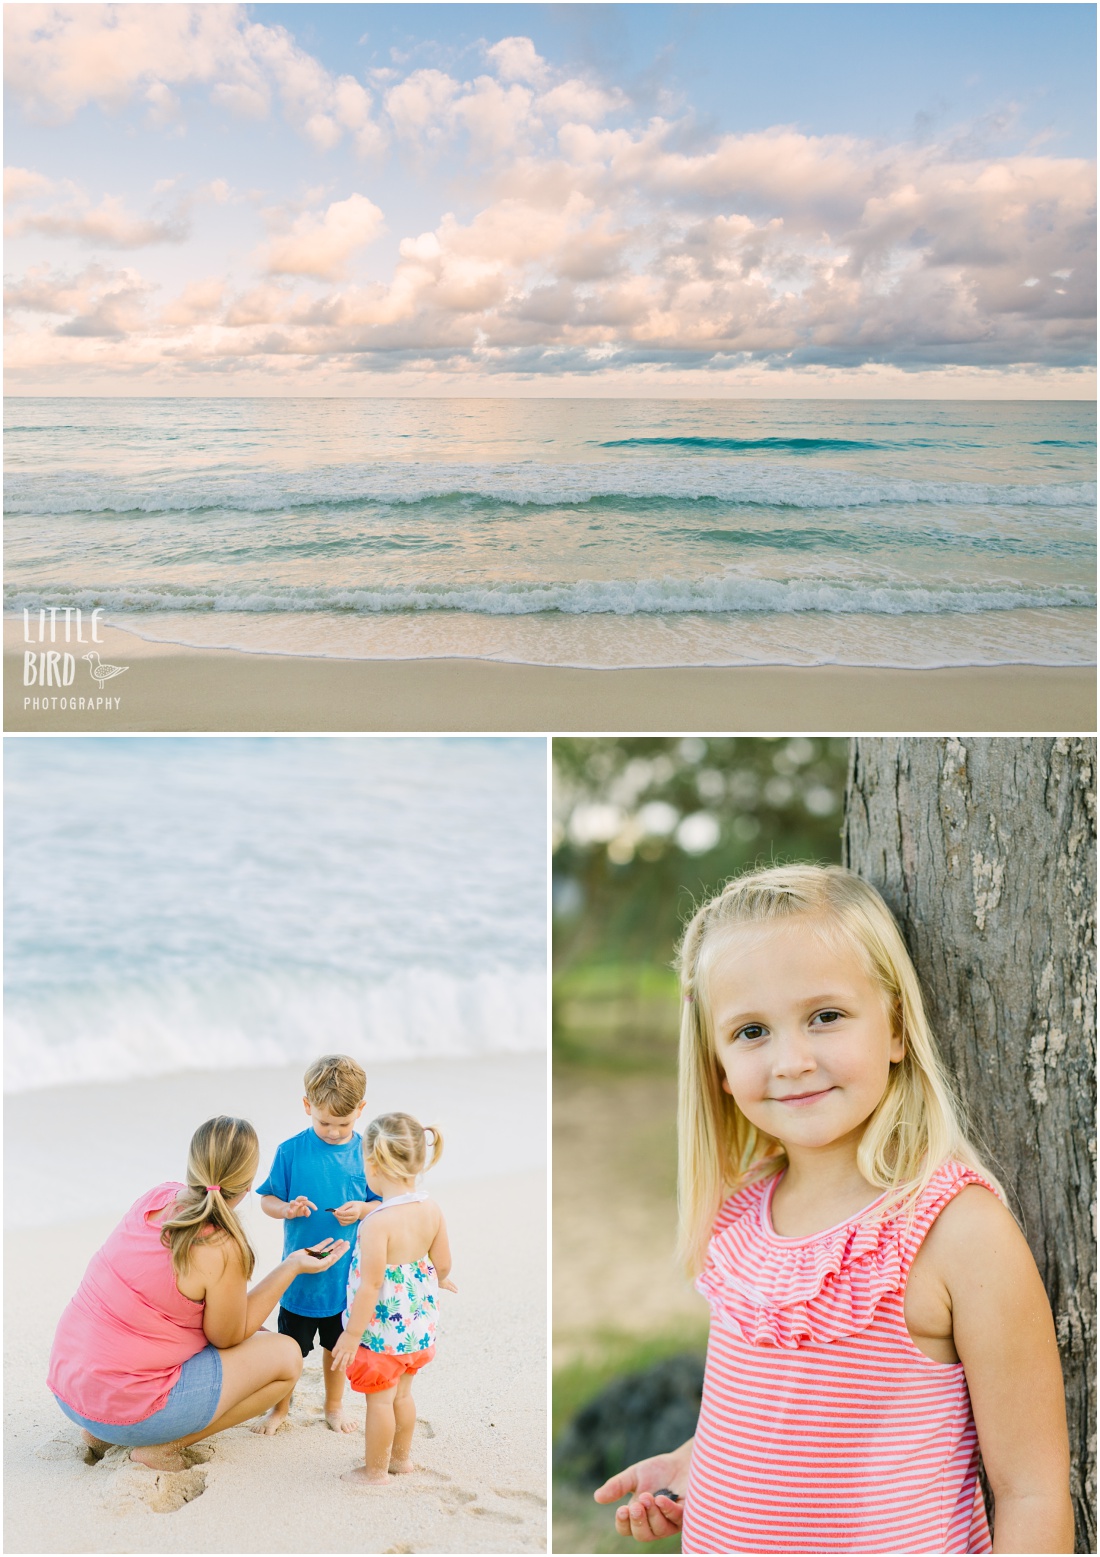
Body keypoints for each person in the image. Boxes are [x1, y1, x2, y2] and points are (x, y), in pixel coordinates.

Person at [594, 864, 1073, 1554]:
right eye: (751, 1031)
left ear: (897, 1030)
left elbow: (1031, 1490)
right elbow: (776, 1409)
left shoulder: (954, 1230)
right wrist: (693, 1460)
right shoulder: (740, 1218)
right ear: (719, 1068)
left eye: (826, 1016)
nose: (790, 1060)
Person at [47, 1115, 348, 1471]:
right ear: (248, 1184)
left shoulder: (156, 1197)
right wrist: (291, 1266)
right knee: (286, 1357)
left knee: (254, 1335)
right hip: (130, 1409)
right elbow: (226, 1337)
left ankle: (101, 1433)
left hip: (70, 1389)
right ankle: (165, 1445)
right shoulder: (220, 1244)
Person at [254, 1054, 378, 1434]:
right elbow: (267, 1200)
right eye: (324, 1121)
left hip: (345, 1282)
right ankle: (280, 1408)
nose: (335, 1131)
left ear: (361, 1110)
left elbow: (383, 1205)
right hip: (299, 1280)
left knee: (335, 1351)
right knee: (290, 1350)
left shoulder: (367, 1154)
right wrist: (287, 1209)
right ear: (307, 1106)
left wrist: (362, 1210)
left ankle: (334, 1405)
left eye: (344, 1122)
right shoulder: (291, 1151)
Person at [331, 1112, 455, 1485]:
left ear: (372, 1163)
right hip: (418, 1325)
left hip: (382, 1332)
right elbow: (443, 1262)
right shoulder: (431, 1208)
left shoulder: (376, 1223)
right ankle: (401, 1460)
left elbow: (370, 1286)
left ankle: (374, 1472)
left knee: (380, 1402)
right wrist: (443, 1280)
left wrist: (351, 1336)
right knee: (403, 1395)